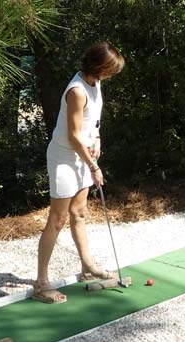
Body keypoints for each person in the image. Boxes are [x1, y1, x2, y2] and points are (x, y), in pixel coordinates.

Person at [32, 42, 125, 304]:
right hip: (64, 156)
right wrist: (94, 166)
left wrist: (97, 140)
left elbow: (92, 121)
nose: (111, 75)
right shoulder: (76, 91)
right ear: (98, 67)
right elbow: (73, 135)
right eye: (110, 70)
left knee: (80, 213)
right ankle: (41, 282)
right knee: (58, 219)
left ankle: (87, 266)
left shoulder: (95, 83)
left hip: (82, 152)